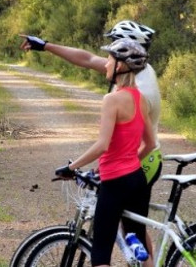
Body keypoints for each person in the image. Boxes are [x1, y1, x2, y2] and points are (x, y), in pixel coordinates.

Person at [19, 20, 162, 260]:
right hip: (133, 160)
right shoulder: (136, 75)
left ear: (130, 50)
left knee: (127, 231)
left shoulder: (138, 89)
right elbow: (86, 59)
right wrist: (45, 46)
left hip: (139, 161)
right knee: (132, 232)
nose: (107, 56)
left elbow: (122, 142)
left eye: (116, 45)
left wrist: (80, 166)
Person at [54, 38, 156, 266]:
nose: (106, 64)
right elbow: (150, 144)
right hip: (137, 180)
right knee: (138, 245)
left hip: (115, 182)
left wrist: (71, 168)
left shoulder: (112, 100)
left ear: (119, 66)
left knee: (100, 255)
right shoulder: (141, 100)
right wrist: (130, 162)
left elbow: (102, 145)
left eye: (110, 59)